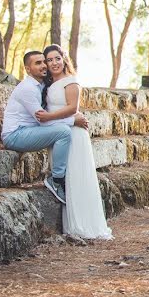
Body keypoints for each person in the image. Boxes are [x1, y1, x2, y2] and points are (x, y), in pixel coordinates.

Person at [35, 44, 112, 240]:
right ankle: (71, 224)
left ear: (64, 59)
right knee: (66, 178)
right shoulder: (49, 84)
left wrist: (49, 117)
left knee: (77, 176)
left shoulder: (71, 82)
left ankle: (85, 225)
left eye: (57, 58)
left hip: (74, 134)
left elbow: (71, 108)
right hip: (60, 133)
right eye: (49, 60)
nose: (53, 63)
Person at [2, 50, 88, 204]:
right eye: (38, 63)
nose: (44, 65)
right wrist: (72, 120)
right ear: (28, 69)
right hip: (15, 135)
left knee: (62, 132)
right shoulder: (27, 88)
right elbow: (42, 119)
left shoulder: (41, 85)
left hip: (28, 131)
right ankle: (56, 179)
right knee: (63, 132)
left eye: (43, 62)